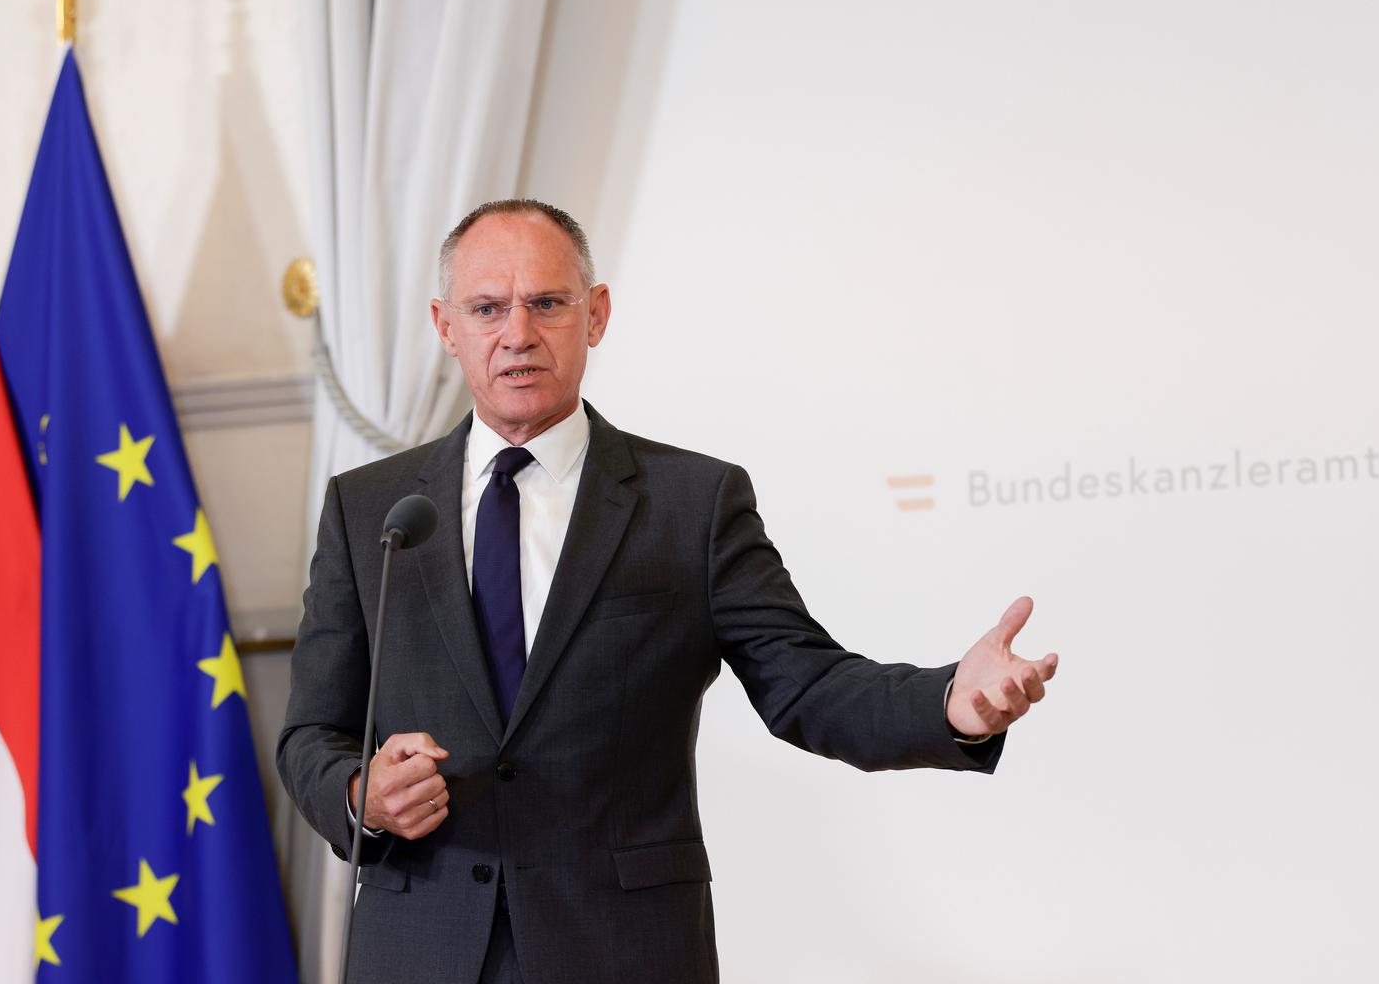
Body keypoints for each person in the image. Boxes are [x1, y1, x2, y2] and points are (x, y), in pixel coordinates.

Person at [277, 200, 1059, 984]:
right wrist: (360, 793)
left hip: (625, 950)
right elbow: (311, 732)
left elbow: (807, 686)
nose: (517, 333)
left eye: (546, 303)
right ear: (445, 326)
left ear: (596, 314)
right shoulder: (369, 510)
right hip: (419, 949)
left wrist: (949, 704)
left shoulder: (692, 504)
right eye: (487, 309)